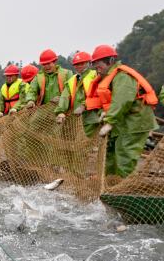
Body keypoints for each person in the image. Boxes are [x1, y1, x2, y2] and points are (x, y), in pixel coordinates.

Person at [90, 44, 159, 177]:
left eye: (99, 66)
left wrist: (110, 121)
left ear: (110, 61)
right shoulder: (110, 76)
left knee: (125, 155)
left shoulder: (122, 76)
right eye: (95, 66)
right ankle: (111, 185)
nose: (97, 69)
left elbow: (122, 100)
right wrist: (106, 113)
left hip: (136, 122)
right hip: (124, 122)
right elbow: (113, 100)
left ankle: (123, 191)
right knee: (112, 154)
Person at [53, 51, 99, 137]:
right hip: (76, 120)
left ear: (88, 63)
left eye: (81, 64)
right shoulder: (72, 80)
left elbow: (98, 94)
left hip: (93, 118)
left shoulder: (95, 75)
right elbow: (65, 96)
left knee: (91, 145)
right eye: (76, 64)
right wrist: (60, 112)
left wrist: (83, 106)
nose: (78, 66)